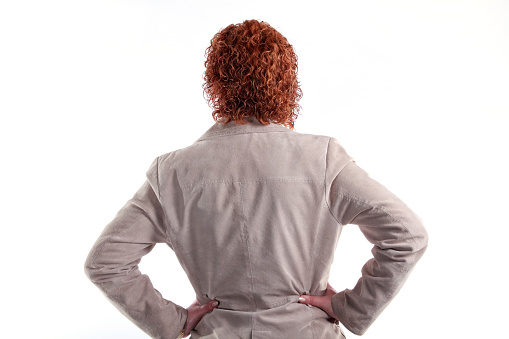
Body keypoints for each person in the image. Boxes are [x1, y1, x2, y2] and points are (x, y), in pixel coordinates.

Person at [84, 19, 428, 339]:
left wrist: (171, 322)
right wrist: (351, 308)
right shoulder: (321, 159)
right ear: (288, 82)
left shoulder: (173, 171)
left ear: (215, 83)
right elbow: (407, 236)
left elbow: (105, 262)